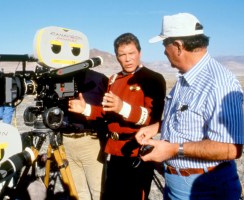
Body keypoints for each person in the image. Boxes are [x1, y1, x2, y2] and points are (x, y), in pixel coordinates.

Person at [135, 12, 244, 199]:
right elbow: (188, 117)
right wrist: (156, 127)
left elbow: (232, 148)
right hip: (177, 184)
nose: (163, 51)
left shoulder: (219, 83)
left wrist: (173, 149)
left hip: (207, 190)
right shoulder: (186, 78)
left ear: (178, 46)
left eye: (164, 44)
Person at [68, 33, 166, 200]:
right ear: (117, 57)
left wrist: (123, 108)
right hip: (115, 152)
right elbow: (107, 113)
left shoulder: (153, 79)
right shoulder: (114, 79)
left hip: (137, 152)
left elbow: (152, 119)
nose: (127, 59)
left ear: (140, 53)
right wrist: (86, 109)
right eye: (122, 55)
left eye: (131, 53)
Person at [62, 69, 108, 200]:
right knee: (78, 193)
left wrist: (87, 110)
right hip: (66, 141)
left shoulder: (98, 79)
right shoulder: (58, 78)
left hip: (91, 141)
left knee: (98, 192)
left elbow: (109, 111)